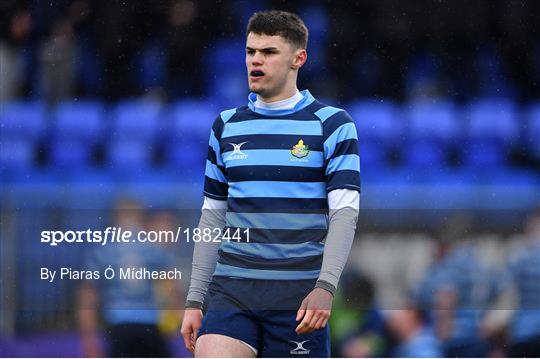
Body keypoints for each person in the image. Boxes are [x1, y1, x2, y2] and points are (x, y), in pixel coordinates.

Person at [180, 10, 360, 357]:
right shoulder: (226, 126)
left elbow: (344, 214)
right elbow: (212, 219)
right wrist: (195, 298)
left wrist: (325, 286)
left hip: (297, 296)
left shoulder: (333, 125)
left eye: (269, 52)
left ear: (298, 58)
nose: (256, 61)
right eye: (251, 52)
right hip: (232, 290)